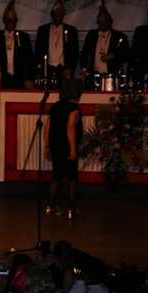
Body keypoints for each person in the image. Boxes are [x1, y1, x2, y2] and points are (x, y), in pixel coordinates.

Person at [45, 78, 83, 218]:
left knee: (56, 176)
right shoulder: (74, 108)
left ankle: (50, 207)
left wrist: (47, 146)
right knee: (72, 178)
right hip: (67, 146)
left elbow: (47, 127)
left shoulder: (55, 106)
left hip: (55, 145)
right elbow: (70, 127)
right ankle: (71, 209)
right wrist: (73, 150)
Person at [0, 2, 35, 89]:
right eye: (7, 20)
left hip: (20, 80)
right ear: (4, 21)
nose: (10, 22)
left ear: (16, 22)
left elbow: (29, 60)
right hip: (1, 79)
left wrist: (29, 78)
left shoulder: (24, 37)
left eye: (12, 20)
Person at [35, 0, 79, 83]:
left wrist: (70, 68)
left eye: (60, 14)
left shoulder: (71, 30)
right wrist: (40, 68)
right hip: (47, 69)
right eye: (56, 14)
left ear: (63, 15)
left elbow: (74, 52)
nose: (58, 16)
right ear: (52, 14)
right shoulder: (43, 30)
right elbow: (38, 51)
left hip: (64, 69)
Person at [80, 6, 128, 80]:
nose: (102, 24)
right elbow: (84, 53)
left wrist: (113, 55)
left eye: (105, 21)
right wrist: (84, 69)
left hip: (112, 75)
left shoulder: (119, 36)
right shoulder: (91, 35)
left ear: (110, 22)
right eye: (100, 22)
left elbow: (126, 54)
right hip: (94, 75)